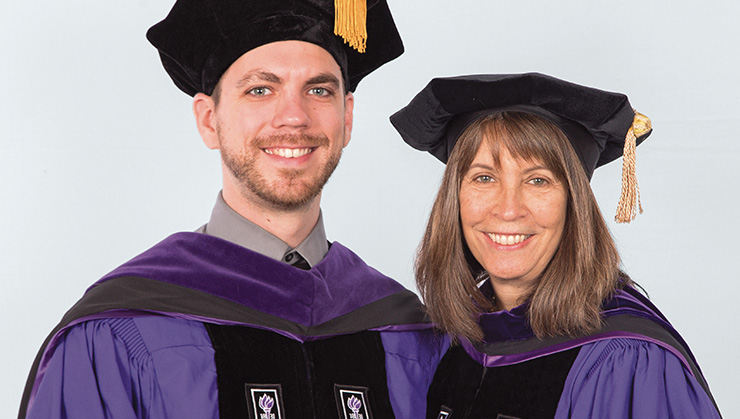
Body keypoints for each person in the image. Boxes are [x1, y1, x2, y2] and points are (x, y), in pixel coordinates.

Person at [19, 1, 442, 418]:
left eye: (318, 90)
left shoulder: (407, 333)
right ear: (208, 120)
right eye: (261, 89)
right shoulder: (117, 331)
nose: (294, 117)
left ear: (346, 119)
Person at [390, 73, 721, 418]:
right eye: (484, 177)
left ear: (573, 204)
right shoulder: (453, 343)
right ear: (454, 199)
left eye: (538, 180)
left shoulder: (629, 360)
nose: (508, 209)